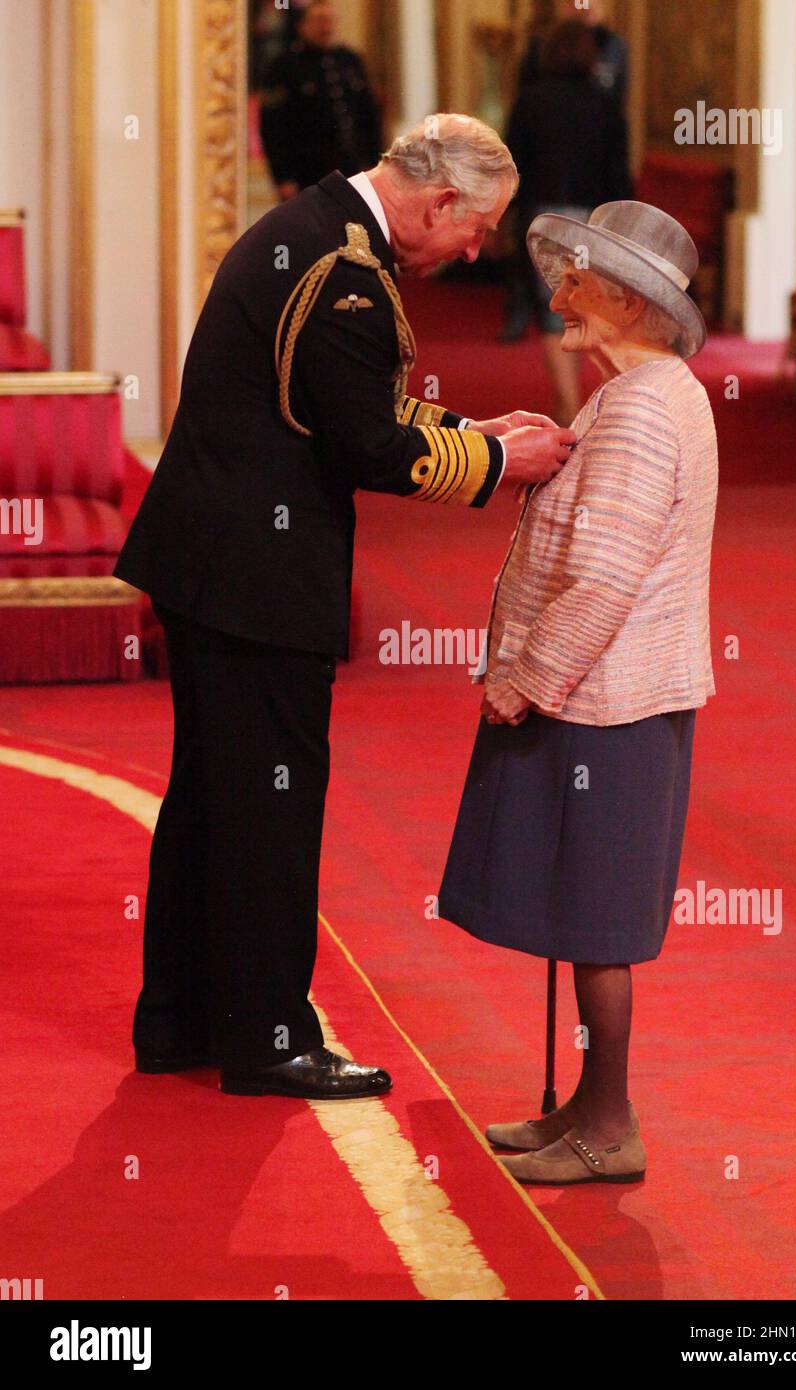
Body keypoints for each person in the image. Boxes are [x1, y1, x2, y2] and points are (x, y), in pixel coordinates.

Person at [114, 114, 575, 1102]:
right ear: (439, 199)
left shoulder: (321, 230)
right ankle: (271, 1036)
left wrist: (467, 426)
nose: (476, 249)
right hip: (254, 581)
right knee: (268, 807)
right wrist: (500, 461)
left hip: (212, 563)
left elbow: (343, 398)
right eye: (478, 226)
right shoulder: (348, 272)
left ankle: (183, 1018)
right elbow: (364, 446)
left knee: (211, 798)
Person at [438, 201, 718, 1183]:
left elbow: (602, 573)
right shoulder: (645, 388)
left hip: (606, 697)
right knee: (579, 908)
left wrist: (524, 677)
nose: (555, 292)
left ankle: (607, 1125)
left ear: (631, 303)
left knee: (597, 927)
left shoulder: (641, 406)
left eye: (577, 280)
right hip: (608, 692)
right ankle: (579, 1110)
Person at [504, 18, 631, 423]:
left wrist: (503, 217)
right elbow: (618, 174)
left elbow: (512, 165)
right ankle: (572, 403)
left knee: (551, 311)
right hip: (590, 219)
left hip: (543, 215)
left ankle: (568, 404)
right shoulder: (605, 104)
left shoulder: (530, 100)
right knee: (582, 308)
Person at [259, 0, 383, 201]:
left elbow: (369, 116)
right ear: (302, 26)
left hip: (351, 169)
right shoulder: (284, 66)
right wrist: (283, 177)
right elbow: (273, 128)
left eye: (330, 20)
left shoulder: (350, 61)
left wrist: (375, 163)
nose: (326, 27)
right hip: (307, 173)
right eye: (319, 20)